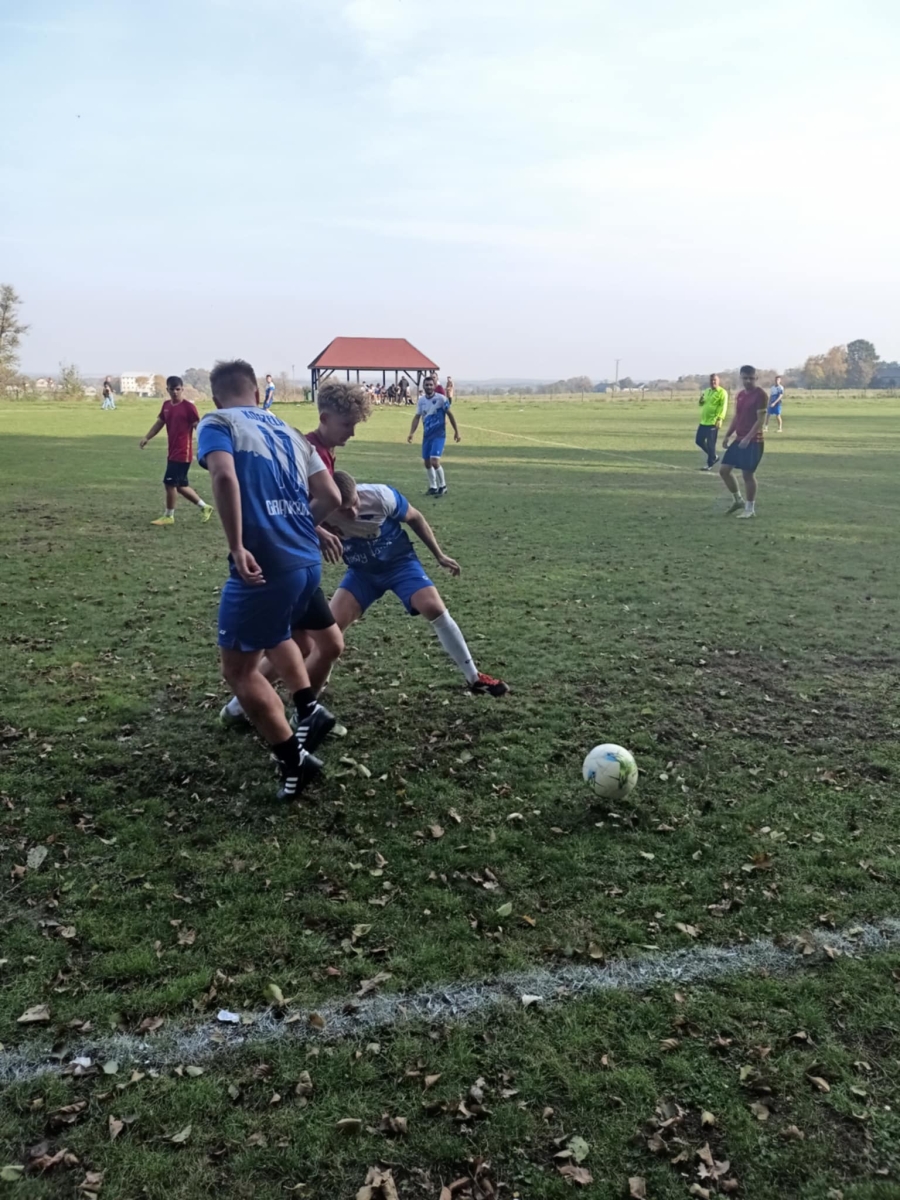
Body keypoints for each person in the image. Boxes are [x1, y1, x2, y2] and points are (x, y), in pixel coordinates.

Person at [198, 359, 342, 799]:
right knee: (277, 632)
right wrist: (298, 526)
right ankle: (308, 707)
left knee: (239, 671)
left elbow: (224, 475)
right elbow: (331, 496)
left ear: (217, 397)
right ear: (258, 393)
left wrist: (237, 544)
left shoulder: (218, 422)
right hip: (306, 560)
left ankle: (294, 761)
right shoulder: (291, 431)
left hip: (267, 564)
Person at [219, 379, 374, 726]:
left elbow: (313, 502)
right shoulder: (303, 448)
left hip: (299, 563)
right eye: (347, 424)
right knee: (317, 645)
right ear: (324, 418)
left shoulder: (324, 453)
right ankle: (290, 715)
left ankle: (255, 708)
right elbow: (283, 505)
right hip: (285, 560)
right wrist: (315, 529)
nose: (352, 432)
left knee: (309, 645)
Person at [327, 471, 509, 696]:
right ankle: (317, 684)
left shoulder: (381, 496)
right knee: (330, 628)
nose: (353, 512)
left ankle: (474, 678)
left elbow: (415, 517)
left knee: (435, 608)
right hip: (362, 572)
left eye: (355, 503)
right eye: (344, 510)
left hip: (399, 564)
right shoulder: (319, 509)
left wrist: (439, 555)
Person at [140, 376, 213, 526]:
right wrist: (147, 437)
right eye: (172, 389)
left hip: (182, 453)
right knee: (180, 486)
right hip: (172, 451)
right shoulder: (166, 405)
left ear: (182, 389)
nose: (175, 392)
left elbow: (198, 427)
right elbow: (159, 423)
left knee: (169, 484)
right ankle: (205, 507)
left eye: (178, 389)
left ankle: (169, 516)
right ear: (167, 389)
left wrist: (206, 445)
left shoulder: (189, 407)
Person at [719, 365, 768, 519]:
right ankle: (738, 500)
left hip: (753, 441)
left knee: (748, 475)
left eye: (751, 378)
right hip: (739, 439)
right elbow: (737, 417)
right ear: (741, 378)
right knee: (724, 470)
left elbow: (760, 420)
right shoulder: (740, 395)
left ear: (756, 378)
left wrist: (748, 438)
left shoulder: (760, 395)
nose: (748, 381)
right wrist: (728, 435)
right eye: (745, 378)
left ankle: (750, 509)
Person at [408, 375, 460, 496]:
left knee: (434, 461)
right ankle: (433, 487)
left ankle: (443, 486)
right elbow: (417, 417)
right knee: (427, 462)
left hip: (439, 435)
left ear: (434, 386)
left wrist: (456, 431)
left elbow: (450, 414)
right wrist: (411, 433)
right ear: (423, 386)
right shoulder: (421, 401)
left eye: (431, 385)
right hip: (427, 435)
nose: (429, 387)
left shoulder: (441, 399)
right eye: (427, 385)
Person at [695, 373, 728, 470]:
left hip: (713, 422)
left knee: (711, 444)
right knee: (699, 441)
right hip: (704, 421)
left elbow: (723, 407)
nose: (713, 382)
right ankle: (714, 456)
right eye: (711, 380)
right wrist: (701, 401)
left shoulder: (722, 392)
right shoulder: (707, 391)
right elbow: (702, 403)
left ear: (718, 381)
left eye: (715, 380)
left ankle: (710, 464)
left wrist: (720, 419)